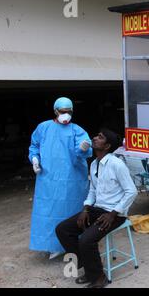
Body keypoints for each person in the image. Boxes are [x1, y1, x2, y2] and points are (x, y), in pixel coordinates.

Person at [56, 129, 138, 288]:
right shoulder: (94, 164)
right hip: (96, 209)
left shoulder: (117, 164)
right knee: (63, 229)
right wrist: (86, 209)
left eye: (100, 137)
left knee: (86, 240)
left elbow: (131, 191)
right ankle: (87, 266)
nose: (95, 137)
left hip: (115, 214)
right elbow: (93, 190)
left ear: (107, 146)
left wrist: (113, 214)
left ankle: (99, 277)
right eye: (97, 135)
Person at [28, 97, 92, 260]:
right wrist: (34, 159)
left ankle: (71, 243)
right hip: (48, 179)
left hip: (72, 180)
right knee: (47, 211)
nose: (66, 115)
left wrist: (84, 148)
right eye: (63, 112)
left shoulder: (76, 130)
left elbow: (84, 149)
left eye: (69, 112)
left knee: (71, 211)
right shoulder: (43, 128)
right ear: (56, 111)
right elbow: (34, 145)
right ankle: (51, 245)